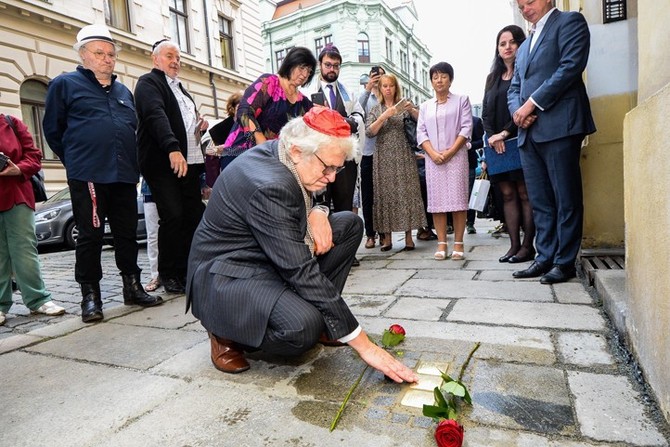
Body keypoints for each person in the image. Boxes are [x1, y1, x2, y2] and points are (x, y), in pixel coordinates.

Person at [186, 107, 418, 384]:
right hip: (229, 273)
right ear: (297, 151)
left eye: (338, 167)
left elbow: (299, 200)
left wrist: (318, 211)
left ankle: (323, 320)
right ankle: (225, 331)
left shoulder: (288, 153)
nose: (332, 177)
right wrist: (365, 346)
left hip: (266, 257)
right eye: (328, 167)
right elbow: (300, 270)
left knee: (348, 225)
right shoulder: (269, 184)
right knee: (301, 328)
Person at [43, 24, 163, 322]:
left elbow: (132, 130)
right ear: (83, 55)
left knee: (125, 235)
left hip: (124, 174)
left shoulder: (123, 91)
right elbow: (53, 130)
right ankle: (90, 297)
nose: (107, 59)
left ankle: (132, 287)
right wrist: (75, 160)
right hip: (89, 174)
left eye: (111, 54)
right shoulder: (65, 84)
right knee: (90, 235)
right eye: (100, 53)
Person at [508, 0, 596, 284]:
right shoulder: (525, 46)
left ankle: (564, 261)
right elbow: (514, 87)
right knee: (540, 200)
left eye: (529, 2)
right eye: (520, 6)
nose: (525, 8)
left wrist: (531, 104)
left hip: (560, 125)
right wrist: (517, 113)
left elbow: (570, 67)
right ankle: (544, 257)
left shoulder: (569, 23)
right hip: (528, 132)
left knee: (565, 197)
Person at [135, 39, 209, 294]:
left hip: (190, 162)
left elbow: (182, 121)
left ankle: (188, 271)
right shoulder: (148, 83)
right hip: (164, 161)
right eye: (170, 56)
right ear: (155, 59)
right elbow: (156, 115)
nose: (176, 61)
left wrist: (198, 127)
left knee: (192, 217)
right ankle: (168, 275)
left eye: (178, 57)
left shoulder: (181, 89)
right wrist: (172, 148)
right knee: (172, 216)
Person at [1, 114, 65, 325]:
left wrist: (18, 169)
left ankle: (38, 299)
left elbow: (34, 156)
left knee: (25, 249)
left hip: (16, 193)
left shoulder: (12, 123)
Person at [482, 25, 536, 265]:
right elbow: (485, 113)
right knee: (506, 194)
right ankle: (513, 245)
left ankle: (528, 246)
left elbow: (524, 106)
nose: (507, 47)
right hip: (496, 144)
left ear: (520, 44)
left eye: (512, 42)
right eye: (502, 43)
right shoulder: (492, 78)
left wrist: (505, 133)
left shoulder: (526, 72)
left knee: (525, 193)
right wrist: (493, 136)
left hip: (518, 138)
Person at [219, 47, 316, 170]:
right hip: (241, 154)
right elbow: (244, 112)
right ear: (290, 64)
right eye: (301, 68)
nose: (305, 74)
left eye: (309, 70)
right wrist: (261, 142)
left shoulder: (304, 103)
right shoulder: (269, 83)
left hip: (272, 162)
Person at [417, 62, 473, 261]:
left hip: (456, 156)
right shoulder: (425, 106)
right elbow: (421, 132)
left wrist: (450, 151)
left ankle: (458, 242)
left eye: (443, 76)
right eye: (435, 77)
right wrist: (432, 153)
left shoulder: (461, 101)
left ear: (450, 79)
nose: (439, 80)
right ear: (431, 81)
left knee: (458, 200)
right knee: (437, 202)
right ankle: (441, 242)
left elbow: (466, 128)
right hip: (433, 159)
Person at [302, 44, 365, 214]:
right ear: (320, 65)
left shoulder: (349, 94)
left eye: (336, 66)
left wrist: (334, 118)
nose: (332, 69)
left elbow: (359, 119)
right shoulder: (307, 94)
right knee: (319, 208)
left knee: (344, 209)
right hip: (318, 160)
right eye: (328, 65)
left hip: (344, 161)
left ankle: (345, 240)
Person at [365, 74, 426, 251]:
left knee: (407, 193)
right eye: (384, 86)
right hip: (383, 156)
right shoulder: (376, 109)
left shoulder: (404, 105)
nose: (388, 89)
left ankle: (409, 237)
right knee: (385, 194)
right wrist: (384, 116)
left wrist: (412, 109)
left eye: (391, 85)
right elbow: (369, 132)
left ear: (395, 87)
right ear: (381, 88)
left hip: (404, 153)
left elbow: (423, 121)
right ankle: (387, 239)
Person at [358, 65, 386, 248]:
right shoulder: (365, 97)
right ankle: (370, 234)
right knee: (367, 196)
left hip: (385, 152)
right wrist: (369, 88)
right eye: (374, 76)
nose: (377, 79)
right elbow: (356, 110)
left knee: (383, 195)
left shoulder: (387, 97)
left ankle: (384, 233)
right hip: (367, 153)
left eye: (381, 76)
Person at [204, 91, 242, 186]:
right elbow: (209, 151)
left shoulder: (251, 126)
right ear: (233, 109)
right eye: (239, 108)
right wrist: (222, 149)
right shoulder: (220, 128)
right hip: (229, 172)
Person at [467, 115, 485, 234]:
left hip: (469, 161)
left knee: (470, 193)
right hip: (450, 161)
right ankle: (450, 223)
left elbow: (481, 141)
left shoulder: (475, 121)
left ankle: (470, 223)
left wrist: (469, 145)